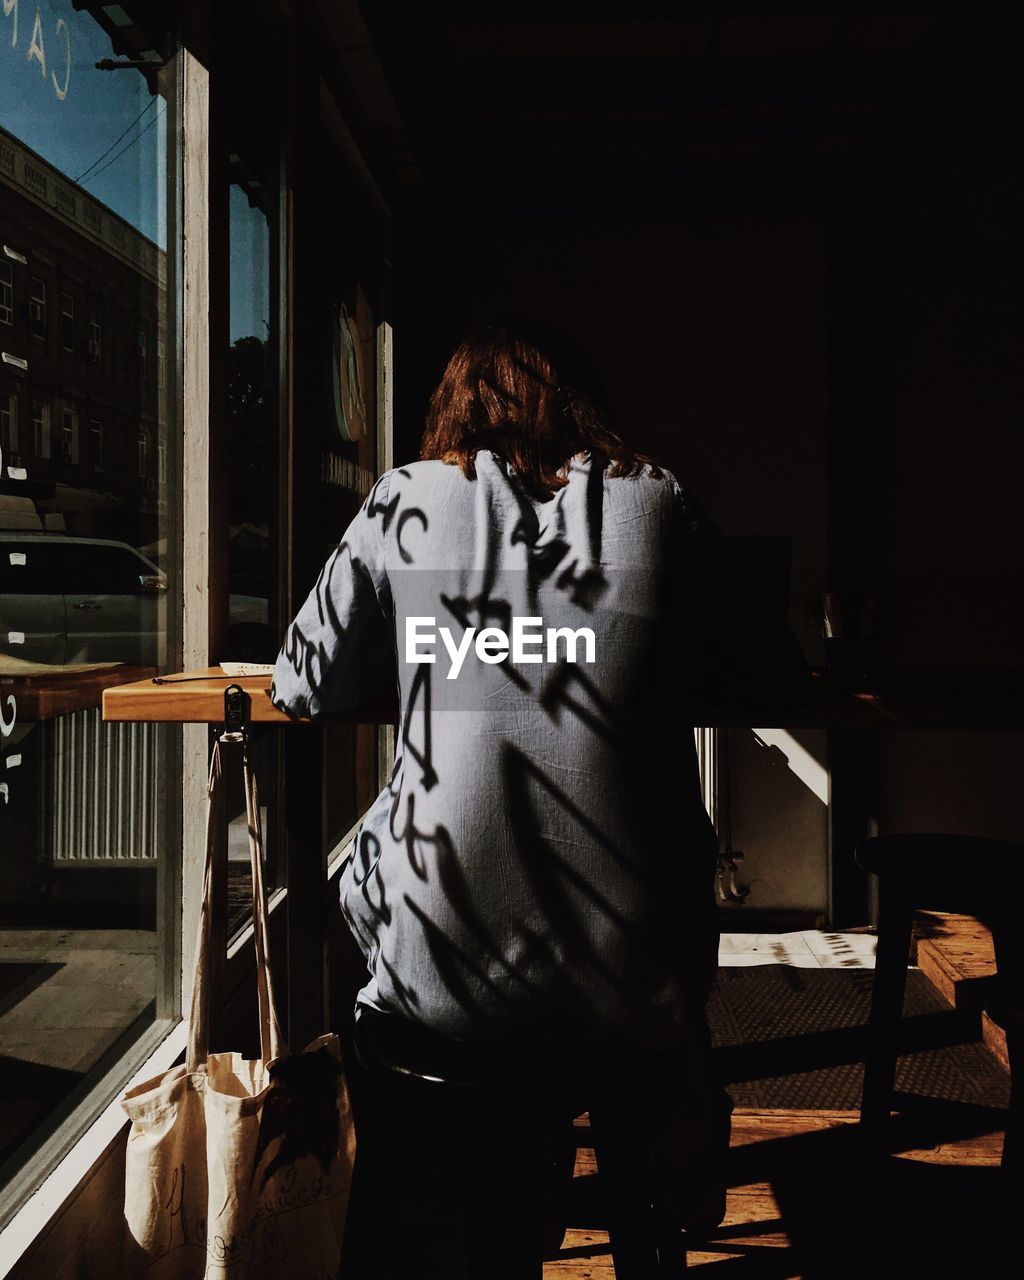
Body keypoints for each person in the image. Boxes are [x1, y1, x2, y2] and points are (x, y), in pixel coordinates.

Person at [270, 320, 737, 1250]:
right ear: (581, 411)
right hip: (632, 989)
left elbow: (299, 679)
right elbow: (747, 668)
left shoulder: (404, 499)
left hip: (439, 995)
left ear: (451, 411)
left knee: (380, 857)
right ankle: (661, 1132)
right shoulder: (658, 498)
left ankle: (482, 1196)